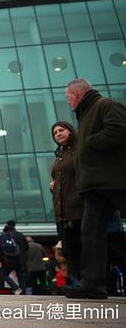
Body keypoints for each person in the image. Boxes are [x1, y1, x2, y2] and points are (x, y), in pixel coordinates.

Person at [64, 78, 126, 299]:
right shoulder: (86, 114)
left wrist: (89, 143)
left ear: (77, 93)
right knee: (90, 234)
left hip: (116, 181)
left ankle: (93, 283)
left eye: (68, 97)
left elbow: (119, 130)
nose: (68, 101)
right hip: (95, 186)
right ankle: (93, 285)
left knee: (94, 233)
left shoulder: (105, 105)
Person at [49, 121, 82, 286]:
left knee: (80, 248)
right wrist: (53, 186)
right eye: (55, 133)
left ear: (70, 131)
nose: (58, 134)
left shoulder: (78, 151)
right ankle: (77, 282)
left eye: (61, 130)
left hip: (77, 208)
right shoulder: (60, 155)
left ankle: (84, 282)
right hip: (61, 211)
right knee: (69, 249)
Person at [0, 220, 28, 294]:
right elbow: (26, 247)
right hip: (20, 259)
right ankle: (23, 293)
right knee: (21, 276)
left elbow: (1, 249)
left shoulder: (4, 235)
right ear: (15, 225)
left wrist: (1, 260)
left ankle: (16, 288)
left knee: (3, 274)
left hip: (8, 260)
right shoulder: (20, 235)